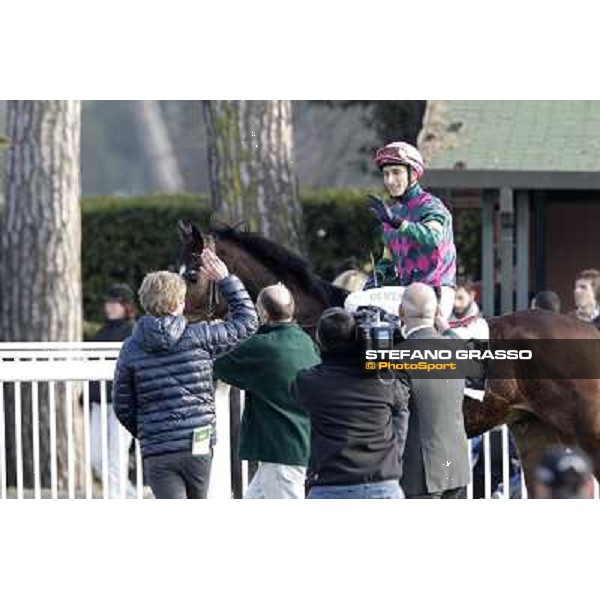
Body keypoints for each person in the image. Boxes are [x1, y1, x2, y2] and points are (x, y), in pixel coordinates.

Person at [113, 249, 258, 499]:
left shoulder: (131, 347)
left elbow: (122, 403)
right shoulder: (199, 337)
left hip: (159, 448)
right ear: (180, 303)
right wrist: (226, 280)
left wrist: (150, 431)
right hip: (197, 442)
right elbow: (247, 322)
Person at [213, 283, 320, 499]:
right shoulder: (304, 341)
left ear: (263, 313)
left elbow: (219, 364)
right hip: (292, 449)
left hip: (281, 455)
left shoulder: (264, 347)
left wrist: (218, 332)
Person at [291, 307, 408, 499]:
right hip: (383, 485)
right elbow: (403, 403)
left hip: (330, 486)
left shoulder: (309, 382)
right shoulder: (383, 380)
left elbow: (296, 395)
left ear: (320, 341)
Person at [363, 141, 457, 319]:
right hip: (408, 292)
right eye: (386, 174)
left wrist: (398, 223)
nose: (389, 180)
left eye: (396, 172)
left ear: (413, 174)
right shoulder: (393, 213)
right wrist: (377, 276)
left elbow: (433, 237)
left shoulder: (431, 206)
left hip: (436, 291)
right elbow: (388, 257)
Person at [398, 283, 470, 499]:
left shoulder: (398, 356)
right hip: (455, 467)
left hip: (421, 473)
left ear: (401, 312)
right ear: (438, 313)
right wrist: (445, 327)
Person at [89, 283, 138, 499]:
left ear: (126, 305)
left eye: (115, 302)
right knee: (96, 457)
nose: (110, 306)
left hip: (123, 401)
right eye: (108, 301)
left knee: (117, 456)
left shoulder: (133, 330)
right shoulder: (101, 331)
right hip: (99, 401)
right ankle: (131, 497)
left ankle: (116, 503)